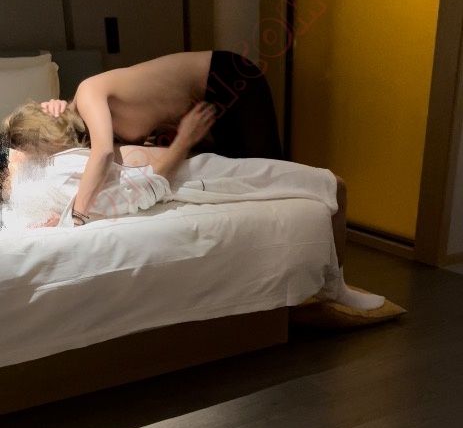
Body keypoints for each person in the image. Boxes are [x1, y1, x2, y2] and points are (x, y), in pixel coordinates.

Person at [2, 100, 384, 309]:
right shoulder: (56, 172)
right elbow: (136, 193)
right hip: (193, 177)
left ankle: (332, 282)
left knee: (322, 189)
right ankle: (336, 286)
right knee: (333, 185)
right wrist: (184, 140)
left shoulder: (39, 170)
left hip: (193, 172)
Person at [33, 50, 283, 223]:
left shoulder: (87, 93)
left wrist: (77, 215)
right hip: (204, 104)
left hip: (225, 77)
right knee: (253, 181)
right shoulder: (94, 128)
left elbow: (103, 154)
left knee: (274, 172)